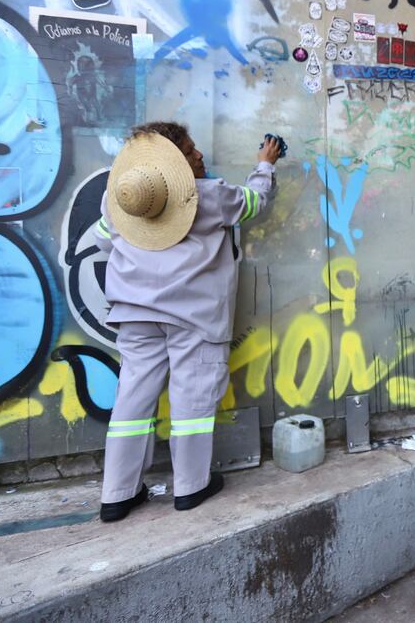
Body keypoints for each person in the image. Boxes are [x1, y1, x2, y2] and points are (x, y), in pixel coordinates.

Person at [95, 121, 281, 522]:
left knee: (131, 400)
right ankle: (191, 486)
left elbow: (103, 239)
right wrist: (265, 164)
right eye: (190, 150)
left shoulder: (121, 197)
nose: (199, 155)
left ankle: (117, 494)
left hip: (134, 312)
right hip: (193, 315)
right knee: (192, 401)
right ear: (172, 163)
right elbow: (254, 202)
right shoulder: (207, 195)